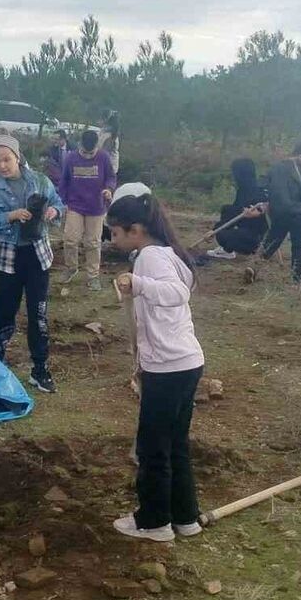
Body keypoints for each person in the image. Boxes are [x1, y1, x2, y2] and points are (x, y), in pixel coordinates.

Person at [106, 193, 205, 543]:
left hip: (169, 368)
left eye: (115, 233)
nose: (112, 241)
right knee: (175, 443)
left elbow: (177, 293)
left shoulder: (149, 257)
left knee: (152, 448)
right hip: (186, 362)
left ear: (136, 230)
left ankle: (154, 522)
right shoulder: (168, 253)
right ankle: (186, 517)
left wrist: (138, 283)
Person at [0, 134, 65, 393]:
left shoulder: (40, 181)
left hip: (37, 256)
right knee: (3, 311)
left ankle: (39, 369)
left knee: (38, 314)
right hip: (7, 258)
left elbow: (58, 203)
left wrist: (54, 212)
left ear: (17, 157)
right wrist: (10, 216)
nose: (2, 165)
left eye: (6, 159)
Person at [59, 130, 117, 291]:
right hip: (75, 205)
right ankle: (71, 268)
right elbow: (64, 181)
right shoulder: (70, 158)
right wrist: (61, 202)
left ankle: (93, 276)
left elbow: (111, 178)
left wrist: (109, 189)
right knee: (70, 239)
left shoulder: (103, 157)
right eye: (85, 152)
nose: (88, 156)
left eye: (91, 153)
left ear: (96, 147)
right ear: (80, 146)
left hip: (96, 207)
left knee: (92, 242)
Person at [260, 142, 301, 283]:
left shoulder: (275, 167)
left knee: (272, 240)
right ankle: (296, 278)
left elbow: (262, 184)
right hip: (298, 212)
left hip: (278, 211)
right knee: (298, 245)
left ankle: (254, 267)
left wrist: (267, 200)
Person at [207, 158, 269, 260]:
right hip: (243, 227)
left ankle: (231, 250)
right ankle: (227, 247)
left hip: (255, 237)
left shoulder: (259, 192)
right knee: (227, 209)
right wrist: (214, 231)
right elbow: (233, 214)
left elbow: (264, 220)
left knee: (225, 235)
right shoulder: (242, 190)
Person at [45, 129, 70, 194]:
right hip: (58, 180)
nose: (54, 141)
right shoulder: (52, 150)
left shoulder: (73, 148)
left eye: (57, 139)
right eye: (54, 139)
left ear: (63, 139)